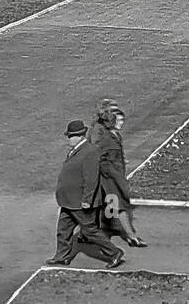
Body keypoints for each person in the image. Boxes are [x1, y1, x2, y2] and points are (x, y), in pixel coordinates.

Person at [46, 120, 124, 269]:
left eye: (71, 136)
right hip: (69, 201)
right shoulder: (76, 150)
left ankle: (114, 253)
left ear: (80, 136)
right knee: (63, 230)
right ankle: (62, 257)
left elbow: (91, 179)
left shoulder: (90, 152)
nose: (68, 139)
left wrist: (87, 200)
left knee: (90, 231)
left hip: (80, 202)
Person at [90, 98, 146, 249]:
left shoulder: (114, 135)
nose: (121, 123)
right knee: (120, 206)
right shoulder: (104, 137)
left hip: (115, 176)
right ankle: (131, 236)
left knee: (107, 206)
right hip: (110, 178)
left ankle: (93, 232)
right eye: (119, 120)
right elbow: (98, 157)